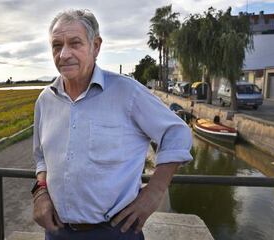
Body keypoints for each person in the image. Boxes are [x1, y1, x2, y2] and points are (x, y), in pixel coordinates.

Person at [31, 9, 193, 240]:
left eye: (75, 43)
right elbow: (40, 157)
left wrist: (155, 191)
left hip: (116, 232)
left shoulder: (128, 92)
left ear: (95, 46)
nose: (64, 54)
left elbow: (177, 133)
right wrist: (40, 193)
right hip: (57, 232)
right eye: (57, 46)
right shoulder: (45, 100)